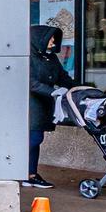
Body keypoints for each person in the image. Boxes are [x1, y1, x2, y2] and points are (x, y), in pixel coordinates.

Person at [28, 24, 75, 189]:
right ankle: (26, 173)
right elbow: (31, 83)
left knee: (35, 139)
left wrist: (76, 88)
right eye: (50, 37)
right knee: (33, 139)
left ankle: (30, 173)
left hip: (43, 106)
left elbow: (62, 77)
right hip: (30, 106)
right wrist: (53, 92)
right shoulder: (28, 58)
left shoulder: (50, 57)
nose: (53, 41)